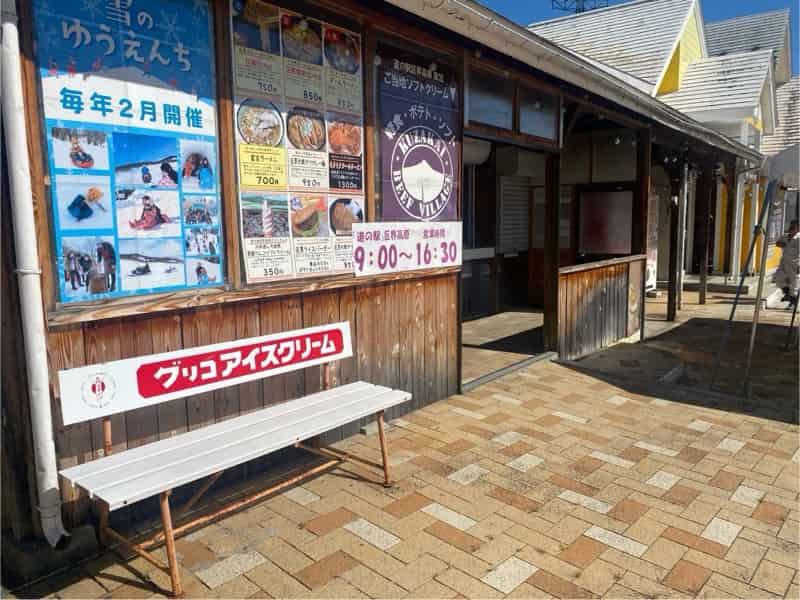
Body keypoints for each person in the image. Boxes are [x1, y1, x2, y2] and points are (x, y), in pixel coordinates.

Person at [773, 219, 800, 306]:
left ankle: (793, 302)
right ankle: (788, 294)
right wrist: (781, 244)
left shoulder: (799, 238)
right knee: (777, 278)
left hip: (795, 264)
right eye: (791, 225)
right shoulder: (785, 236)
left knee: (794, 285)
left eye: (794, 226)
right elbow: (777, 243)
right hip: (784, 262)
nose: (791, 227)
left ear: (798, 227)